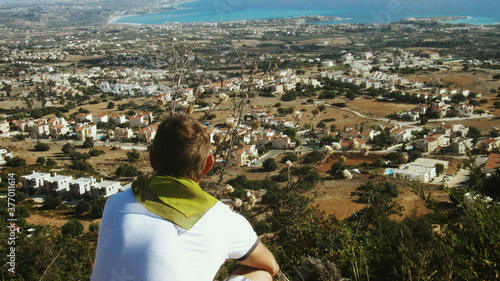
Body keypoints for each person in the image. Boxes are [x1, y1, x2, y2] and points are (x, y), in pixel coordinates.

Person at [91, 114, 279, 281]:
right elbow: (270, 265)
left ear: (152, 159)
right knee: (261, 275)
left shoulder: (115, 203)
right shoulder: (222, 219)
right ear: (208, 164)